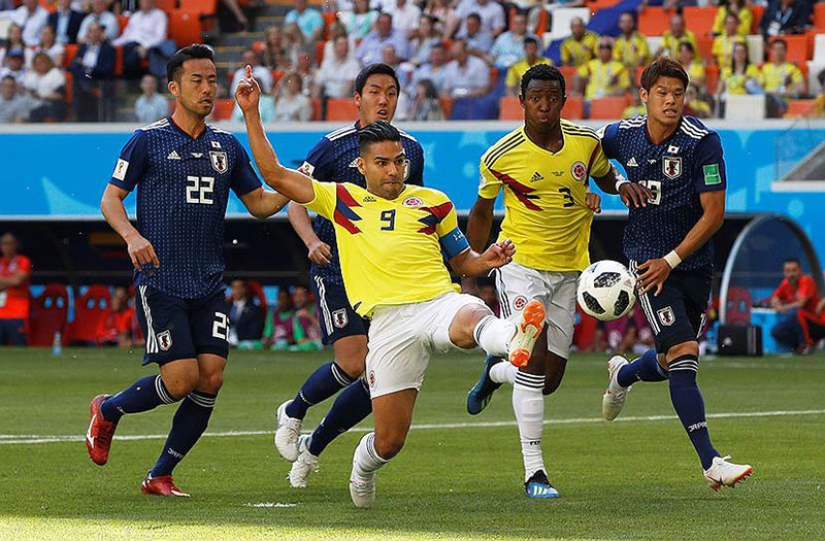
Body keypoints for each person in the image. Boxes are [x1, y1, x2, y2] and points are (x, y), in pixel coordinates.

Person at [237, 73, 545, 507]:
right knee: (390, 440)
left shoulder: (433, 201)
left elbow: (462, 263)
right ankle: (362, 468)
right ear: (362, 166)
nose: (394, 170)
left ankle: (513, 336)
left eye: (398, 161)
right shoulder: (341, 199)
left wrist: (486, 259)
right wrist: (251, 112)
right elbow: (273, 174)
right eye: (382, 162)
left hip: (437, 302)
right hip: (388, 323)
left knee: (471, 315)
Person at [85, 44, 288, 498]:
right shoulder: (147, 140)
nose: (207, 87)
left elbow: (260, 204)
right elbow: (110, 199)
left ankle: (159, 475)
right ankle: (110, 409)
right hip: (161, 278)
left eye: (212, 79)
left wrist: (303, 185)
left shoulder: (227, 145)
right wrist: (133, 237)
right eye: (197, 80)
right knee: (181, 381)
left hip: (209, 281)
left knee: (211, 376)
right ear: (174, 88)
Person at [463, 64, 643, 498]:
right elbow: (483, 211)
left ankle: (496, 372)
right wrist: (473, 263)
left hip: (570, 272)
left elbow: (603, 173)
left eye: (552, 98)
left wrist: (620, 183)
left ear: (563, 101)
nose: (544, 106)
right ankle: (534, 472)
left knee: (550, 379)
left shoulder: (585, 142)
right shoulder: (500, 156)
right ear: (522, 102)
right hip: (521, 265)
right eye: (535, 98)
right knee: (534, 358)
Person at [598, 58, 753, 490]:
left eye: (678, 93)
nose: (670, 100)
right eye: (661, 92)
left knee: (670, 361)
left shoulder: (702, 142)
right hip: (647, 263)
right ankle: (711, 462)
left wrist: (675, 259)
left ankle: (623, 375)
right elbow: (588, 154)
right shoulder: (622, 134)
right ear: (644, 95)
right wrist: (610, 184)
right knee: (685, 352)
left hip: (691, 264)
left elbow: (715, 214)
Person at [278, 63, 425, 489]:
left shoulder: (411, 150)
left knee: (376, 376)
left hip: (385, 277)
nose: (384, 100)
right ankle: (293, 410)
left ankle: (313, 448)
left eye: (391, 92)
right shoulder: (332, 147)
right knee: (354, 361)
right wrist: (309, 240)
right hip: (336, 269)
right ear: (357, 99)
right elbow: (294, 200)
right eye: (375, 92)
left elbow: (418, 207)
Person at [111, 0, 177, 80]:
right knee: (109, 50)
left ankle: (130, 83)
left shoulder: (159, 15)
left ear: (153, 2)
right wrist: (112, 44)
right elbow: (126, 36)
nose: (146, 3)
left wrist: (145, 46)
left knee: (132, 56)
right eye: (143, 1)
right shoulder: (135, 16)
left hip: (147, 45)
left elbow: (161, 37)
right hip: (130, 43)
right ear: (139, 3)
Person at [69, 22, 116, 122]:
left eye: (96, 31)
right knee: (79, 84)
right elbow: (74, 65)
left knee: (85, 84)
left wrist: (89, 69)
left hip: (98, 79)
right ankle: (78, 120)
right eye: (91, 31)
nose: (94, 34)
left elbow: (108, 69)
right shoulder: (83, 48)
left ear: (101, 33)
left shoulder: (108, 49)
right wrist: (84, 72)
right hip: (83, 79)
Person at [769, 258, 819, 351]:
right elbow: (774, 298)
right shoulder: (785, 283)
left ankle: (806, 345)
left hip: (816, 321)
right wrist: (776, 304)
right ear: (784, 272)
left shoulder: (806, 281)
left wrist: (783, 307)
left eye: (794, 270)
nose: (791, 274)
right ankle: (801, 345)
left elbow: (801, 304)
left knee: (798, 313)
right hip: (798, 323)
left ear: (800, 271)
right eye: (788, 271)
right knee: (776, 332)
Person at [0, 232, 32, 346]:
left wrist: (4, 281)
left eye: (10, 243)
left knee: (20, 347)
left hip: (17, 312)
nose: (7, 246)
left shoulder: (23, 261)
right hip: (0, 311)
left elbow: (17, 281)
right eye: (4, 243)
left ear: (16, 245)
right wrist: (10, 279)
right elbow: (13, 280)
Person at [228, 278, 265, 347]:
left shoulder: (254, 309)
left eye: (238, 288)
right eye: (234, 288)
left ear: (244, 289)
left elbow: (256, 331)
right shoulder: (226, 307)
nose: (236, 291)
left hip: (244, 343)